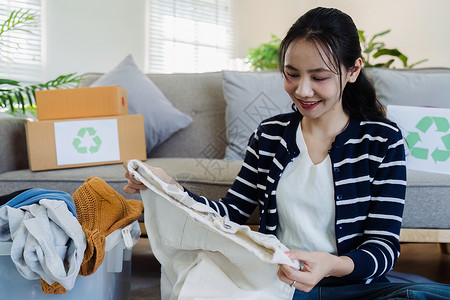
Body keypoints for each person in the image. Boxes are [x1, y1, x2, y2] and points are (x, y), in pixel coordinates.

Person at [124, 7, 450, 300]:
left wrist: (334, 265)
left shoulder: (383, 140)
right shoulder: (271, 134)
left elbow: (383, 247)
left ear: (352, 71)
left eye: (319, 77)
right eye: (291, 74)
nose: (302, 90)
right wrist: (171, 188)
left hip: (358, 288)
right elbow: (231, 213)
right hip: (280, 287)